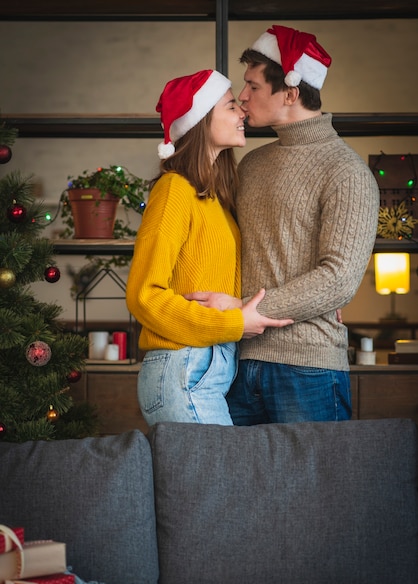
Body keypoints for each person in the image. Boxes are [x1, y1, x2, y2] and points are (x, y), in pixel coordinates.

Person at [185, 26, 380, 425]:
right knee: (237, 488)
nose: (242, 97)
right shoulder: (251, 164)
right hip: (236, 364)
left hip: (309, 368)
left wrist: (244, 311)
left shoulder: (346, 172)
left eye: (253, 87)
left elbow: (339, 279)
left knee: (314, 488)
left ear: (290, 93)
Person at [126, 69, 293, 428]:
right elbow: (144, 295)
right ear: (202, 120)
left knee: (215, 482)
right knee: (218, 483)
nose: (242, 113)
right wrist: (235, 322)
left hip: (206, 370)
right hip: (183, 370)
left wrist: (318, 301)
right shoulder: (174, 190)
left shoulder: (214, 198)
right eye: (232, 106)